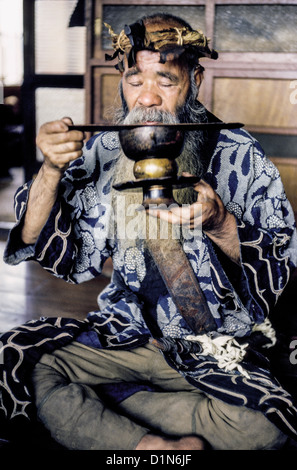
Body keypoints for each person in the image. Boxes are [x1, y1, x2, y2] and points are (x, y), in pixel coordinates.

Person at [1, 12, 297, 451]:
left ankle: (111, 419)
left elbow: (284, 264)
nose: (148, 98)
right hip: (128, 335)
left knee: (266, 429)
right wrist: (50, 169)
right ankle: (151, 448)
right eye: (135, 80)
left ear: (194, 80)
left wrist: (220, 223)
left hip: (216, 347)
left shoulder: (241, 156)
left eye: (166, 80)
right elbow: (57, 253)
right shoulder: (105, 148)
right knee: (14, 360)